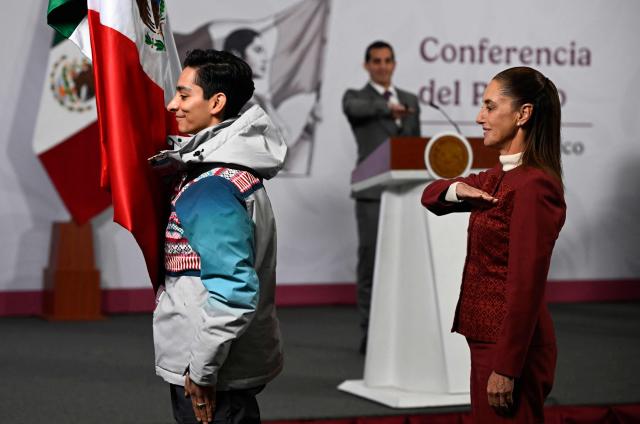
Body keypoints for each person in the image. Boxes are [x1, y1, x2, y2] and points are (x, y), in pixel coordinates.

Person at [421, 66, 566, 422]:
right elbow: (431, 195)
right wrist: (457, 188)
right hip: (488, 341)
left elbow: (526, 285)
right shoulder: (499, 176)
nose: (479, 117)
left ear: (523, 114)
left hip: (510, 350)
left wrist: (507, 367)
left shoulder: (534, 186)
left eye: (489, 106)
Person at [151, 49, 287, 424]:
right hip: (220, 365)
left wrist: (201, 371)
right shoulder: (219, 173)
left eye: (183, 94)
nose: (171, 104)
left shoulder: (212, 186)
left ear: (217, 102)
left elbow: (233, 291)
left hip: (211, 373)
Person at [342, 40, 421, 353]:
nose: (382, 66)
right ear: (367, 65)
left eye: (388, 60)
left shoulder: (412, 100)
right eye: (376, 61)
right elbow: (355, 110)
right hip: (372, 194)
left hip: (406, 194)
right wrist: (387, 107)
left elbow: (414, 148)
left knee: (404, 265)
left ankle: (401, 332)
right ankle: (371, 335)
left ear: (394, 64)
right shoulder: (356, 98)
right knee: (371, 265)